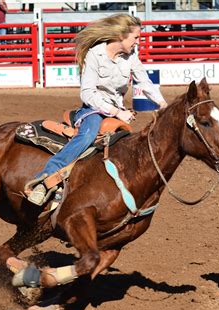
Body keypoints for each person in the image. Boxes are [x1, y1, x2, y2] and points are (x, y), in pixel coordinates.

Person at [26, 14, 168, 206]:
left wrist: (162, 103)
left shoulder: (131, 56)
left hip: (118, 111)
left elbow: (144, 81)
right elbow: (88, 94)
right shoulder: (95, 54)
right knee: (87, 135)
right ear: (121, 36)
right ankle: (44, 178)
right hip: (93, 110)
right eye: (136, 38)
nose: (138, 42)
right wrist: (116, 112)